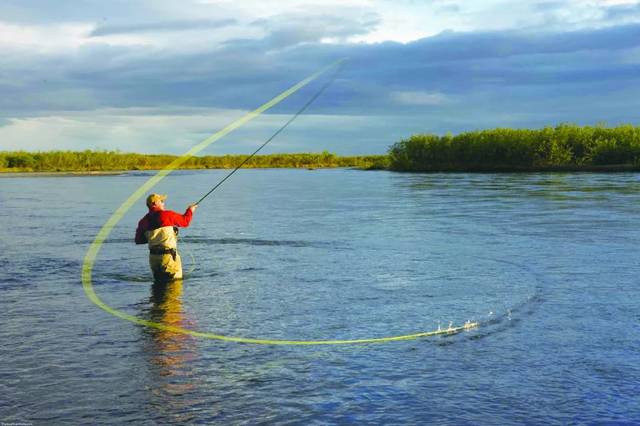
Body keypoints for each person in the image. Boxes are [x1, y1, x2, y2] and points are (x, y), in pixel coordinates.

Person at [135, 193, 198, 282]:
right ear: (155, 204)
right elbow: (185, 221)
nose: (164, 203)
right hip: (168, 258)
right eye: (161, 201)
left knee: (158, 289)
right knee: (175, 285)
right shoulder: (167, 215)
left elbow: (139, 240)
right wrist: (190, 210)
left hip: (153, 259)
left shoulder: (143, 221)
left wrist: (153, 236)